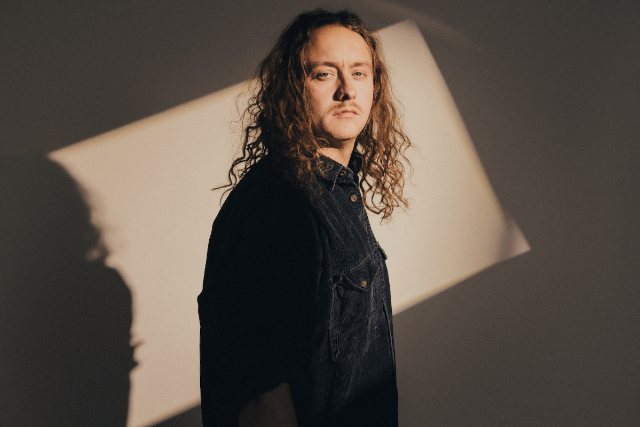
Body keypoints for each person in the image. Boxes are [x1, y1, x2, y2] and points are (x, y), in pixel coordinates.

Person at [198, 9, 412, 427]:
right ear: (292, 90)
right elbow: (259, 394)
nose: (347, 90)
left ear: (375, 86)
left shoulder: (335, 193)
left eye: (359, 73)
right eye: (324, 74)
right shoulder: (275, 204)